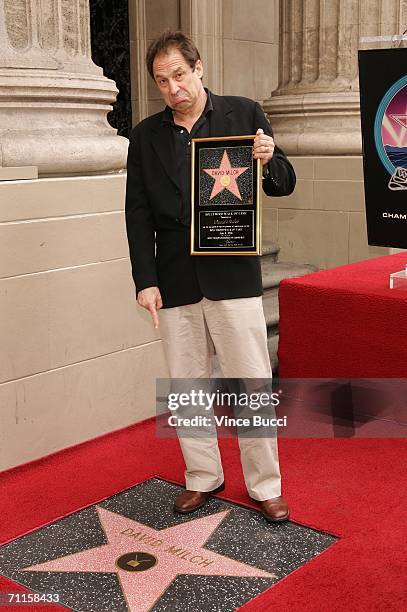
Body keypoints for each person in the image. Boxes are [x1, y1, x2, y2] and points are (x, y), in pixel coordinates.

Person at [125, 30, 296, 522]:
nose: (173, 87)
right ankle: (203, 476)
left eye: (179, 74)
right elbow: (137, 213)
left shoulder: (244, 113)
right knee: (187, 387)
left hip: (233, 277)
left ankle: (265, 484)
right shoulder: (145, 136)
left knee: (252, 384)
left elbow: (283, 182)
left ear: (198, 69)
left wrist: (268, 160)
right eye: (162, 80)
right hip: (175, 280)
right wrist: (145, 279)